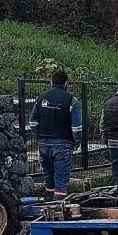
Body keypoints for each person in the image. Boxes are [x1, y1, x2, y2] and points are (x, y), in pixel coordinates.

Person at [29, 70, 82, 200]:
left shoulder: (41, 97)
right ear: (66, 83)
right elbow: (76, 127)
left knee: (49, 174)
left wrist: (39, 136)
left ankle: (48, 200)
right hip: (63, 143)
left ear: (51, 82)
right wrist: (76, 142)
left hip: (44, 143)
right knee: (61, 178)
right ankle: (58, 204)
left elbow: (32, 122)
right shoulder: (71, 100)